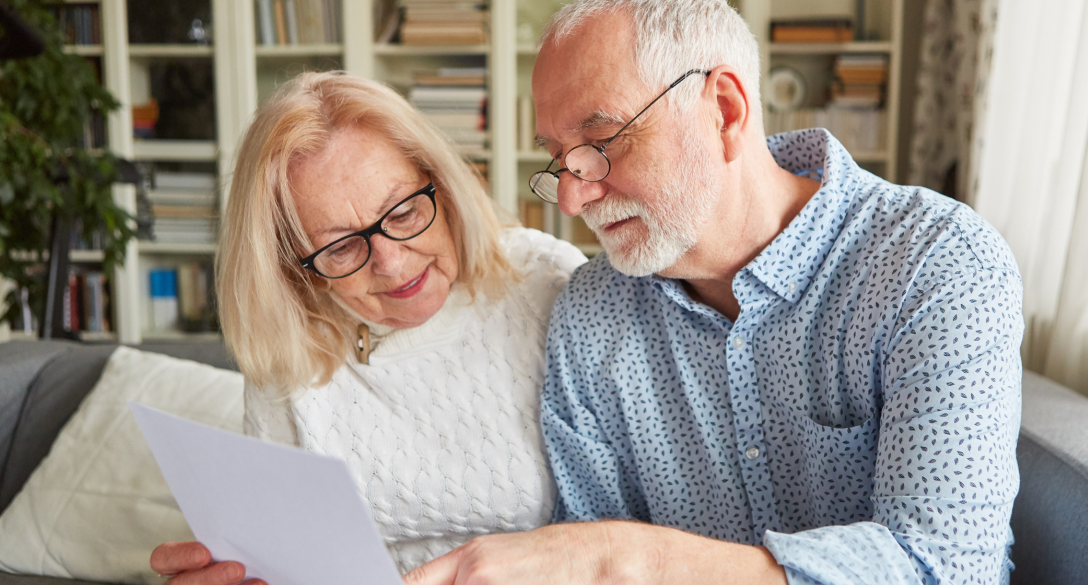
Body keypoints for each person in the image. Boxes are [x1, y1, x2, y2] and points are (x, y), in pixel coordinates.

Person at [406, 1, 1023, 585]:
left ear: (724, 111)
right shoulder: (592, 312)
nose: (571, 198)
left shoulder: (935, 266)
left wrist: (622, 558)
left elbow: (944, 567)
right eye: (559, 159)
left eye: (600, 143)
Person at [148, 71, 588, 584]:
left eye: (401, 212)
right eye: (340, 247)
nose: (392, 263)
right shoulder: (293, 351)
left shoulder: (548, 283)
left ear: (443, 187)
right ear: (295, 266)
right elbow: (289, 561)